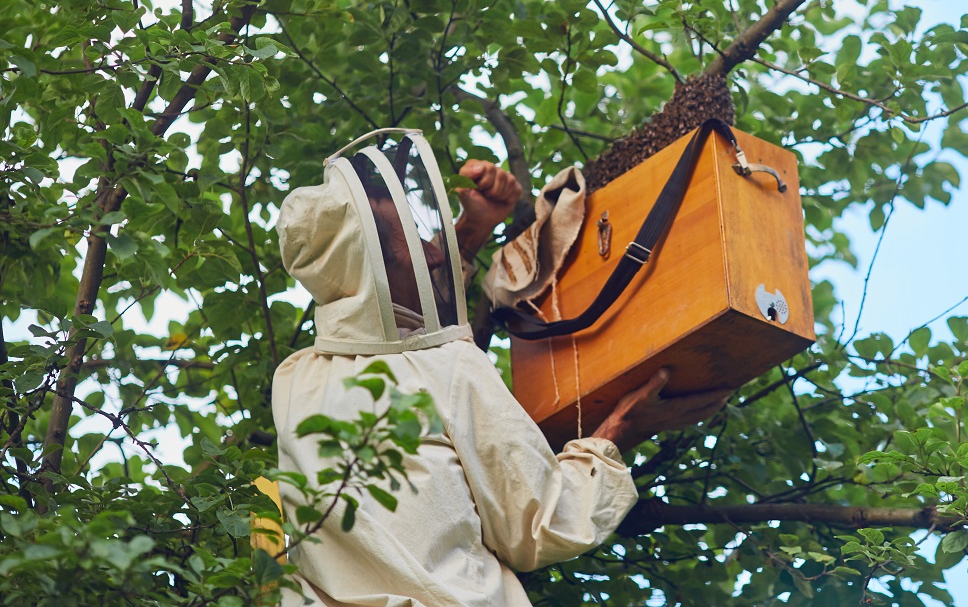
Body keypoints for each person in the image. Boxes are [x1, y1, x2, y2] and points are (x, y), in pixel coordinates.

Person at [272, 129, 728, 607]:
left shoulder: (294, 381)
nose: (434, 249)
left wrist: (474, 229)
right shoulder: (445, 368)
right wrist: (618, 431)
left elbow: (390, 321)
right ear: (370, 268)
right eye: (413, 237)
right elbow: (543, 524)